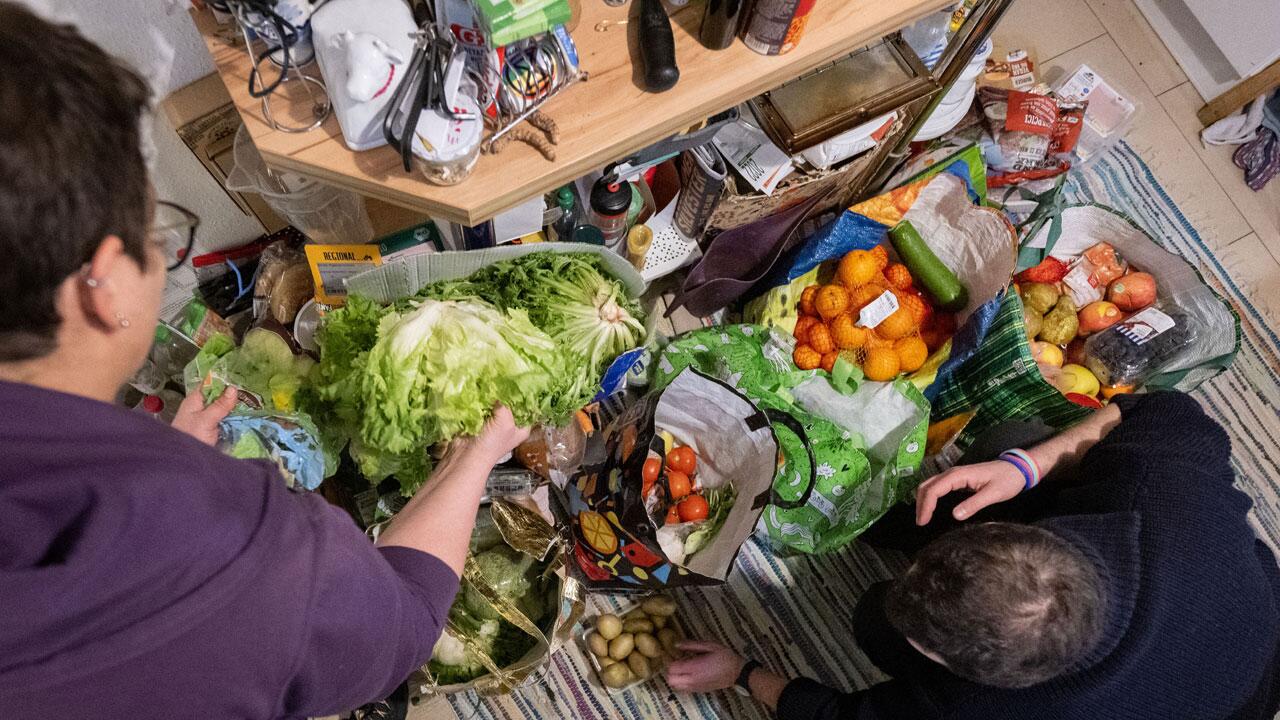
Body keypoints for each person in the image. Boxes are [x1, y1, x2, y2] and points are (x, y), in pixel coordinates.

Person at [0, 4, 526, 718]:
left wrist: (158, 469)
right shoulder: (239, 556)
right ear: (102, 284)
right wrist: (478, 453)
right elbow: (402, 620)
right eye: (157, 229)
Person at [666, 391, 1280, 719]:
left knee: (873, 621)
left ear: (967, 676)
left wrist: (742, 676)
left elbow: (841, 718)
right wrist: (1025, 466)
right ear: (1033, 540)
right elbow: (1167, 409)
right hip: (1244, 616)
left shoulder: (979, 709)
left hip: (1225, 699)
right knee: (1011, 441)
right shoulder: (1161, 494)